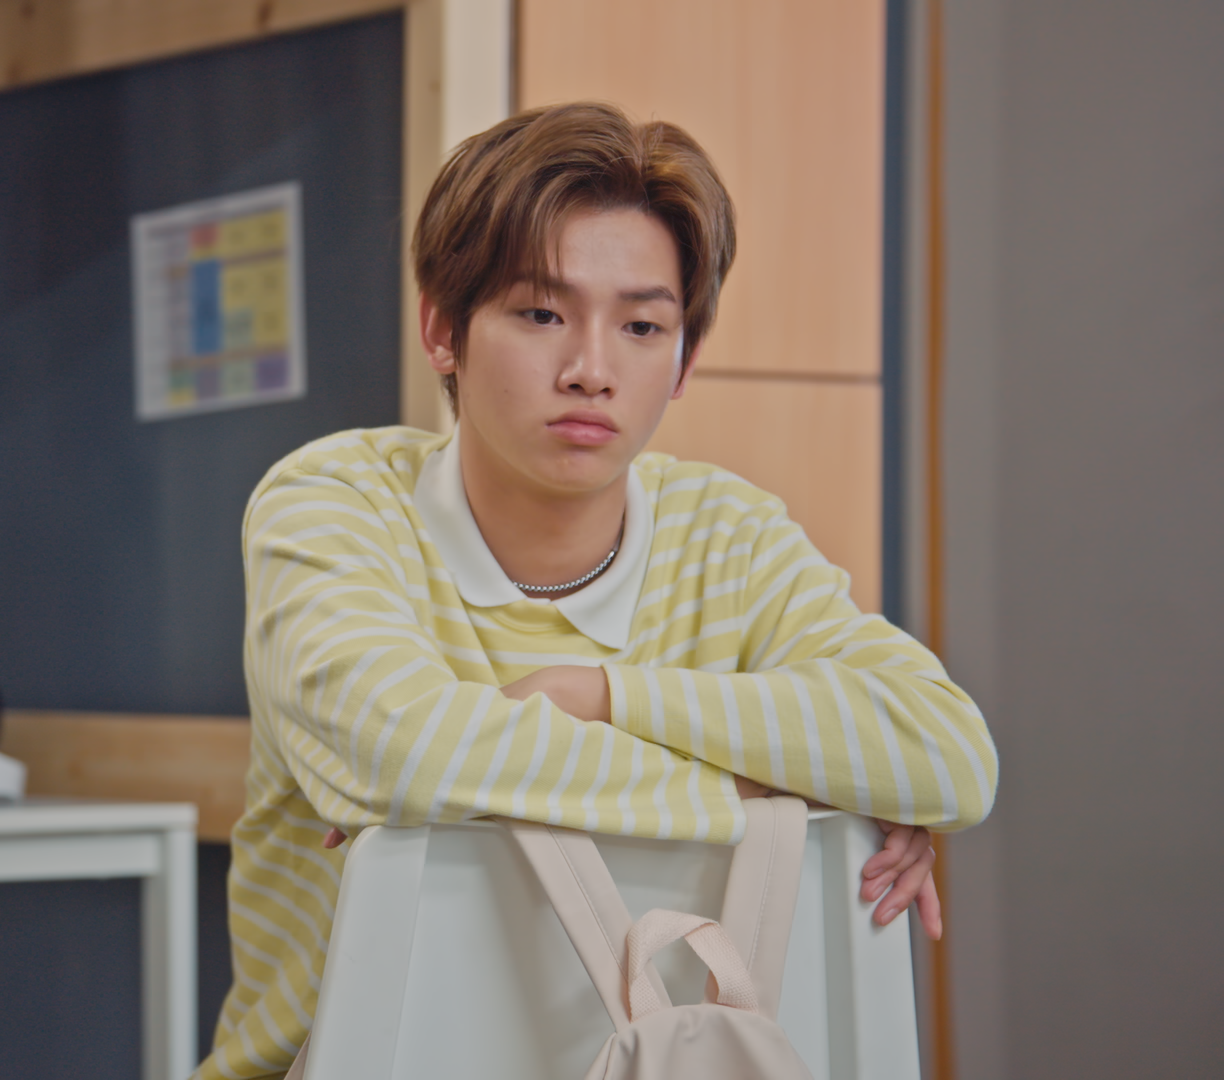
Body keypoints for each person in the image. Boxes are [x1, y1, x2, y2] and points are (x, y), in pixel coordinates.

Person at [197, 101, 998, 1080]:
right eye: (542, 315)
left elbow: (948, 754)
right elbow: (403, 750)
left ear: (684, 359)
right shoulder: (335, 503)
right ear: (444, 329)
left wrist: (601, 695)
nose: (591, 370)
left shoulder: (728, 534)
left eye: (642, 325)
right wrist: (784, 787)